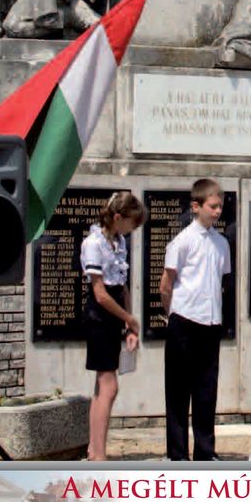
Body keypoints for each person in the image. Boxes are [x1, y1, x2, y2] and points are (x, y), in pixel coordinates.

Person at [159, 178, 232, 461]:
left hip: (210, 322)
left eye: (220, 206)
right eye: (212, 206)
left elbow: (221, 281)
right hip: (184, 321)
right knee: (178, 391)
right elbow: (166, 284)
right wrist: (172, 313)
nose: (217, 212)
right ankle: (177, 453)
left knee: (206, 390)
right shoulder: (182, 241)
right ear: (196, 206)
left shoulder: (222, 243)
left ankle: (205, 450)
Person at [80, 191, 145, 461]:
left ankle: (95, 449)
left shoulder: (119, 242)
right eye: (132, 223)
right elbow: (101, 293)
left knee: (102, 387)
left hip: (115, 314)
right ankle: (99, 454)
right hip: (100, 317)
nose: (133, 229)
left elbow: (122, 285)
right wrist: (128, 319)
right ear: (118, 218)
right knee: (109, 386)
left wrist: (130, 324)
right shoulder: (93, 243)